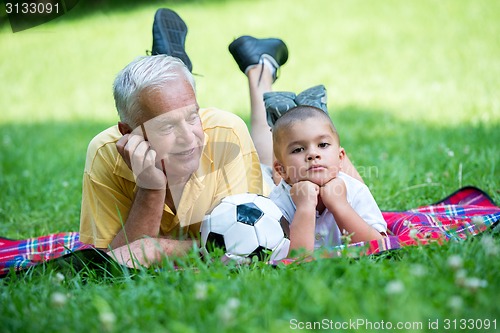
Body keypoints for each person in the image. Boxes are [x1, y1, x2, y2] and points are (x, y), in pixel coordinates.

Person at [79, 9, 265, 266]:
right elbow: (113, 264)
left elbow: (240, 246)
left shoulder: (226, 131)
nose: (189, 138)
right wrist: (150, 188)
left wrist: (157, 248)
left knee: (275, 156)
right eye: (166, 127)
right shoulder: (104, 152)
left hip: (267, 185)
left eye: (193, 116)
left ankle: (260, 68)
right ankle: (169, 67)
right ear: (128, 132)